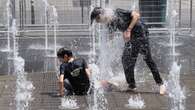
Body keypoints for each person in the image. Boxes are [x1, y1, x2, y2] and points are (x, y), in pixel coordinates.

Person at [90, 7, 166, 95]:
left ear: (100, 15)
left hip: (140, 33)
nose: (99, 23)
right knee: (125, 59)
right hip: (131, 37)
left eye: (97, 20)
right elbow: (111, 36)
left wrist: (128, 30)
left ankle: (161, 84)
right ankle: (132, 85)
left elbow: (136, 15)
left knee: (147, 59)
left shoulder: (117, 12)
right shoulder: (110, 22)